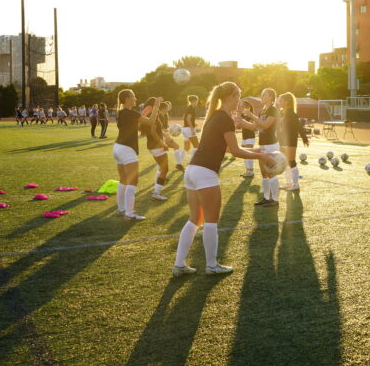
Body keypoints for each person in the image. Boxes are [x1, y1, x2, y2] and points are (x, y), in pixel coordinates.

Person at [173, 82, 275, 276]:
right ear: (230, 96)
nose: (239, 101)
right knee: (211, 220)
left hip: (192, 170)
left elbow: (226, 148)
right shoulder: (224, 118)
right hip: (205, 172)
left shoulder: (215, 116)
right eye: (238, 96)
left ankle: (179, 264)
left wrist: (255, 151)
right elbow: (236, 151)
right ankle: (212, 265)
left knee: (195, 219)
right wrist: (261, 156)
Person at [112, 89, 162, 220]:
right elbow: (151, 122)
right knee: (132, 181)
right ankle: (129, 213)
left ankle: (121, 209)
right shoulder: (131, 113)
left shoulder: (120, 112)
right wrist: (156, 107)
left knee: (123, 180)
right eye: (133, 96)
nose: (135, 98)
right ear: (127, 98)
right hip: (126, 149)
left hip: (117, 147)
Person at [241, 88, 281, 207]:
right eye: (262, 94)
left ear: (271, 97)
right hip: (262, 144)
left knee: (271, 172)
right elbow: (254, 127)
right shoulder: (262, 110)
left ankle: (275, 200)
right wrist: (241, 121)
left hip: (271, 145)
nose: (262, 96)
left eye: (264, 95)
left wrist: (251, 115)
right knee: (264, 173)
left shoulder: (273, 110)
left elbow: (265, 125)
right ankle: (266, 197)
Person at [278, 92, 309, 191]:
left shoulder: (292, 114)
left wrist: (305, 139)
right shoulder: (281, 113)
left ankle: (296, 185)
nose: (279, 102)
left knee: (291, 162)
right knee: (286, 162)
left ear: (287, 102)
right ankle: (288, 183)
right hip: (282, 141)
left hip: (291, 141)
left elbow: (299, 127)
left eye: (281, 100)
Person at [140, 97, 170, 202]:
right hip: (156, 145)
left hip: (153, 145)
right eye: (157, 104)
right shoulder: (153, 115)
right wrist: (162, 144)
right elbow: (153, 132)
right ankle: (157, 193)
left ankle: (156, 189)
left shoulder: (149, 115)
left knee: (161, 168)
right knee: (165, 169)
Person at [238, 100, 256, 178]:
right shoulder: (242, 115)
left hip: (250, 137)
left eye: (242, 105)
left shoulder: (251, 115)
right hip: (244, 137)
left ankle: (251, 172)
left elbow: (252, 127)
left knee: (249, 154)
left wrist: (242, 124)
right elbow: (239, 126)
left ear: (247, 107)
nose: (241, 106)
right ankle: (247, 171)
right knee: (244, 155)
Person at [182, 95, 200, 163]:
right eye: (196, 100)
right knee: (197, 146)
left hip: (185, 129)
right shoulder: (191, 108)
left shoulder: (189, 107)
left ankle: (179, 163)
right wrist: (192, 129)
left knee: (187, 148)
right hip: (189, 129)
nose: (197, 102)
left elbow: (186, 118)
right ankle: (191, 162)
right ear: (193, 101)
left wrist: (194, 123)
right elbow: (188, 119)